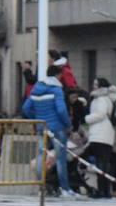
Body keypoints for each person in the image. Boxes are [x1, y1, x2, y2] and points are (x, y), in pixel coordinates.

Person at [21, 63, 78, 197]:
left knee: (42, 156)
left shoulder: (36, 89)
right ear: (58, 75)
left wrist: (36, 119)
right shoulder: (56, 90)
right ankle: (64, 188)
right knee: (60, 159)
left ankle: (43, 186)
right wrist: (68, 124)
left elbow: (25, 108)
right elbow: (61, 110)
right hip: (57, 128)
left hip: (42, 127)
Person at [84, 78, 116, 199]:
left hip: (100, 134)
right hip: (105, 134)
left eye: (95, 84)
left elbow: (101, 114)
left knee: (101, 164)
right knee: (103, 163)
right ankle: (105, 190)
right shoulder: (107, 98)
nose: (93, 86)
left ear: (101, 86)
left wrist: (87, 118)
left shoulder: (101, 98)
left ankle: (102, 190)